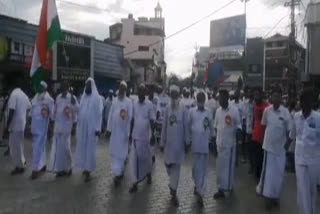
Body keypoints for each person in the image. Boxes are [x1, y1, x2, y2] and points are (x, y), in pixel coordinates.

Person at [256, 88, 291, 210]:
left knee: (278, 175)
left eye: (278, 96)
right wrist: (263, 143)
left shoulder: (286, 112)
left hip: (280, 150)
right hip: (269, 149)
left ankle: (274, 196)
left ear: (281, 99)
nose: (275, 98)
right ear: (271, 98)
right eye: (274, 96)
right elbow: (264, 127)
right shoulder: (267, 111)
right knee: (268, 175)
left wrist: (286, 147)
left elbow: (289, 131)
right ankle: (267, 198)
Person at [289, 89, 320, 214]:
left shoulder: (318, 118)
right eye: (303, 101)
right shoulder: (296, 117)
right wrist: (283, 150)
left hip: (314, 160)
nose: (305, 103)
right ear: (300, 102)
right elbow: (292, 135)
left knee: (311, 189)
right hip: (299, 159)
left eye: (308, 101)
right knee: (302, 187)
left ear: (312, 102)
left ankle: (310, 210)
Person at [160, 85, 188, 207]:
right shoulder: (167, 109)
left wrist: (187, 142)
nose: (173, 97)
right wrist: (162, 142)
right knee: (168, 165)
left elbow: (186, 127)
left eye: (175, 94)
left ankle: (174, 191)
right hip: (169, 145)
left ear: (178, 95)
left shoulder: (183, 109)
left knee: (176, 168)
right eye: (172, 94)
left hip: (179, 145)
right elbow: (164, 127)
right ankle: (172, 185)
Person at [213, 90, 241, 199]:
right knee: (219, 168)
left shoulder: (234, 110)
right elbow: (215, 127)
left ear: (227, 98)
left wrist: (238, 131)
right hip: (219, 145)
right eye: (219, 98)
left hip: (230, 145)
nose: (220, 100)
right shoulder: (218, 111)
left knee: (228, 169)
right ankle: (220, 189)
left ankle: (228, 188)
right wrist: (214, 143)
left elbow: (238, 124)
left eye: (222, 98)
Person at [74, 78, 103, 182]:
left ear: (92, 86)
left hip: (92, 129)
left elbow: (99, 114)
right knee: (83, 148)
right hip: (83, 129)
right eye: (85, 85)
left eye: (88, 85)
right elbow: (79, 111)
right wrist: (75, 104)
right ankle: (85, 167)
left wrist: (98, 128)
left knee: (90, 150)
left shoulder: (97, 98)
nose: (86, 87)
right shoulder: (84, 97)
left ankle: (89, 170)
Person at [188, 91, 213, 207]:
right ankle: (197, 186)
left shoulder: (208, 112)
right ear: (196, 99)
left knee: (202, 171)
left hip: (204, 146)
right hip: (195, 147)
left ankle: (200, 194)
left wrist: (212, 140)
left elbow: (211, 127)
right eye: (199, 99)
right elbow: (188, 128)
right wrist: (187, 142)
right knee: (194, 170)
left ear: (205, 100)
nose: (201, 101)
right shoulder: (191, 112)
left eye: (202, 99)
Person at [129, 84, 156, 193]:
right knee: (134, 160)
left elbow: (152, 120)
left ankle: (148, 173)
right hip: (135, 137)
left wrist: (153, 134)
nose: (140, 93)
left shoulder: (149, 105)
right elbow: (132, 120)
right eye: (139, 91)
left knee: (145, 159)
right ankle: (135, 183)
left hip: (146, 138)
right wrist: (130, 134)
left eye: (142, 91)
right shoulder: (134, 103)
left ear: (145, 93)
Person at [48, 82, 78, 177]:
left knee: (65, 148)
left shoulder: (72, 98)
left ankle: (69, 167)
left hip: (67, 127)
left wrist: (74, 125)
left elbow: (77, 110)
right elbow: (55, 110)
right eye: (62, 87)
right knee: (58, 148)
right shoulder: (58, 97)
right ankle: (60, 169)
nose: (63, 89)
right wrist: (52, 122)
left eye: (65, 87)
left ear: (68, 88)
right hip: (58, 126)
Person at [107, 81, 133, 187]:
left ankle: (118, 174)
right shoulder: (114, 101)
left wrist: (128, 133)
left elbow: (130, 118)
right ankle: (117, 173)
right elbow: (110, 115)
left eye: (123, 88)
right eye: (120, 88)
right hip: (114, 132)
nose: (121, 90)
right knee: (114, 153)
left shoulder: (128, 102)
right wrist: (108, 129)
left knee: (121, 154)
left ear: (125, 90)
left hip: (123, 133)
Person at [5, 80, 31, 175]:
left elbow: (11, 110)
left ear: (11, 88)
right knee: (19, 145)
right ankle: (21, 163)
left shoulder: (14, 94)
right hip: (21, 125)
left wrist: (7, 126)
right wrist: (24, 118)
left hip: (15, 125)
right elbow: (29, 107)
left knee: (14, 147)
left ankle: (19, 167)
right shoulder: (24, 95)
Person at [30, 81, 54, 180]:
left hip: (42, 128)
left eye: (40, 86)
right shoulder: (36, 97)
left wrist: (51, 129)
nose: (38, 88)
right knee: (39, 147)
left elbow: (52, 115)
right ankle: (43, 164)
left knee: (37, 147)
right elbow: (31, 111)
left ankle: (35, 169)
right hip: (34, 127)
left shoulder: (48, 99)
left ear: (45, 88)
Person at [251, 87, 269, 179]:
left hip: (264, 134)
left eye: (257, 95)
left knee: (262, 157)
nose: (256, 97)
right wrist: (252, 129)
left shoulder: (267, 106)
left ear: (262, 95)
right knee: (256, 156)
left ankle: (263, 174)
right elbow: (253, 118)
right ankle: (256, 173)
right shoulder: (254, 105)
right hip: (256, 135)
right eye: (255, 95)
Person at [244, 89, 255, 174]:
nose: (250, 94)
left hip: (256, 129)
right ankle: (251, 166)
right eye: (249, 93)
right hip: (248, 129)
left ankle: (255, 166)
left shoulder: (256, 103)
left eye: (251, 93)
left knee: (256, 149)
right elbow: (244, 115)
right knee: (250, 149)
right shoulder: (246, 103)